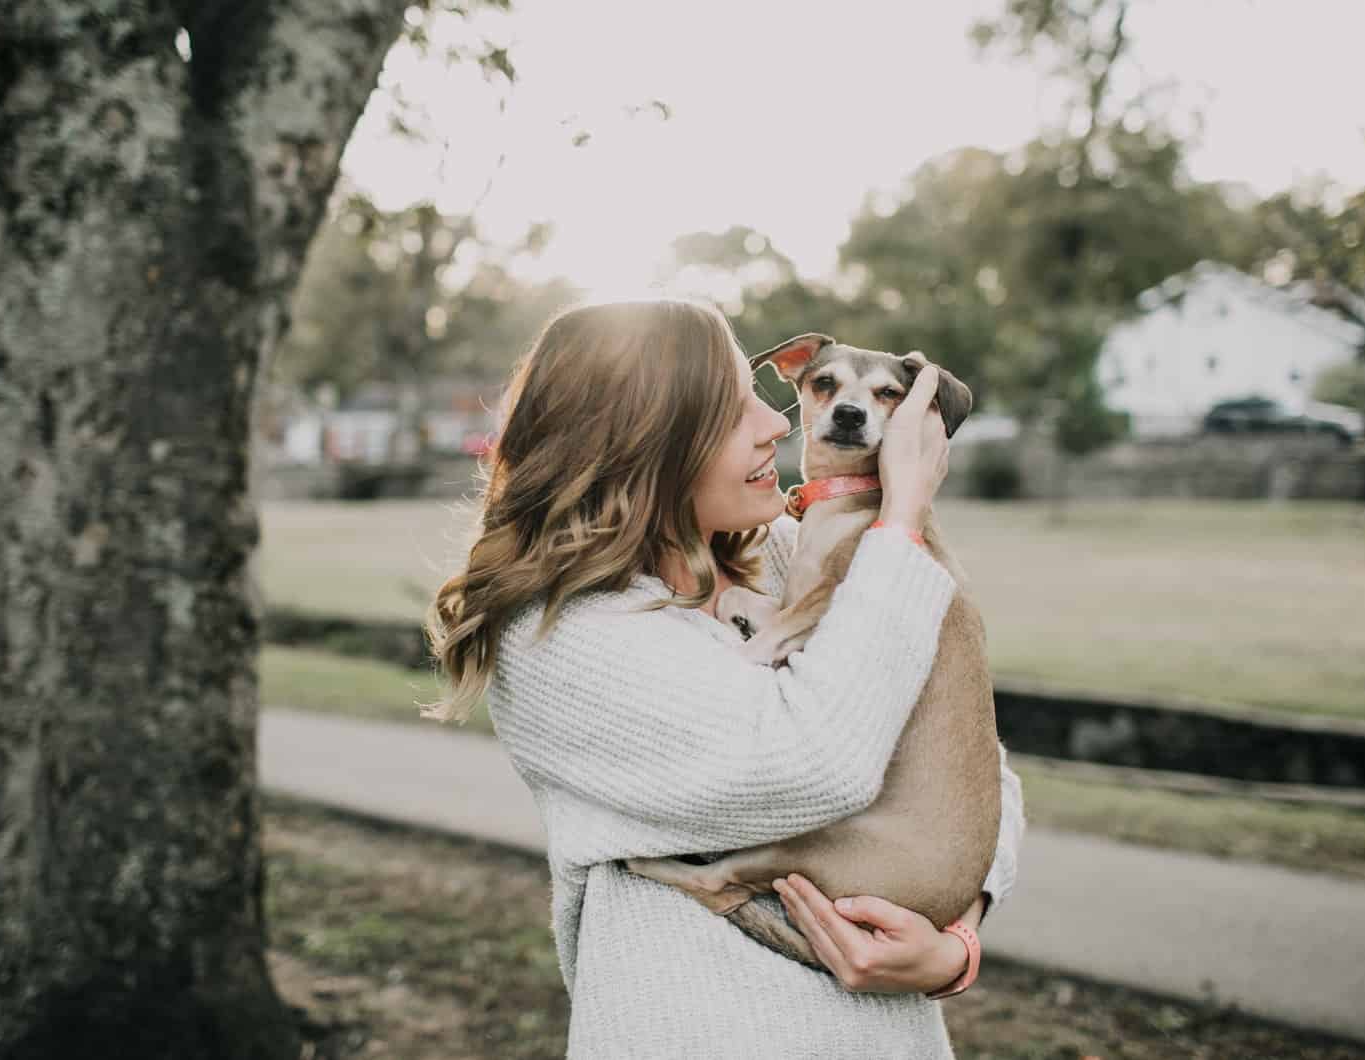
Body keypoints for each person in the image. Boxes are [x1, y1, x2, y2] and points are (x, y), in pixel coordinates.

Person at [424, 297, 1026, 1058]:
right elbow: (817, 764)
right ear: (643, 444)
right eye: (731, 409)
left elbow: (976, 766)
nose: (777, 422)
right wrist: (901, 516)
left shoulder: (784, 553)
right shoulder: (558, 638)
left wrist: (955, 940)